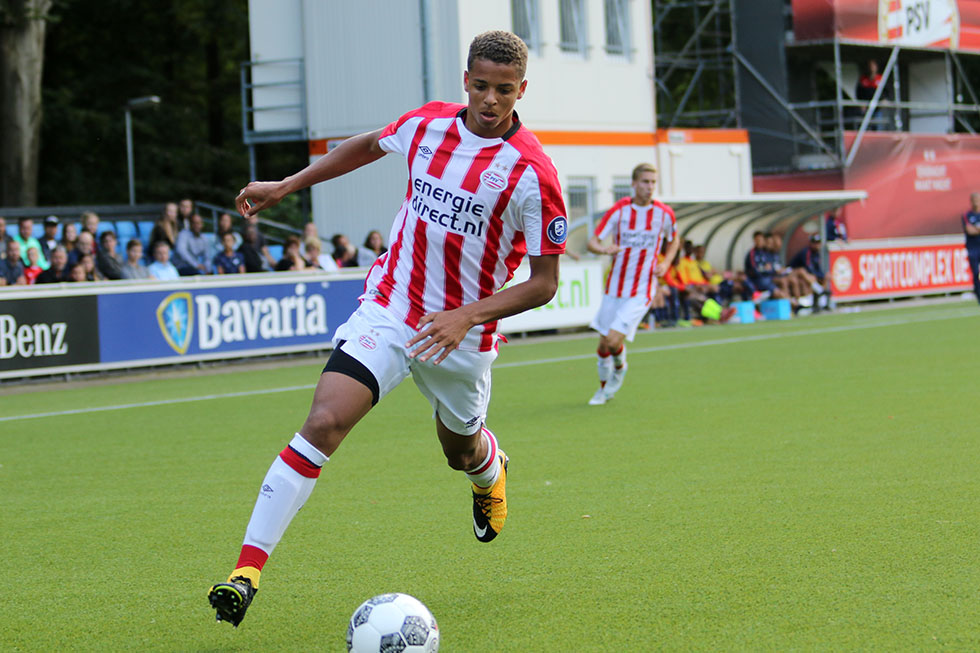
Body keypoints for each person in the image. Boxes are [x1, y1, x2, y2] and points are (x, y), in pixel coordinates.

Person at [207, 30, 565, 628]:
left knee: (461, 450)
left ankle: (490, 468)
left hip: (464, 334)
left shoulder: (533, 173)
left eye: (504, 90)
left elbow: (545, 282)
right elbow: (368, 145)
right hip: (393, 307)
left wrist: (467, 316)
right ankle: (246, 572)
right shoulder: (428, 126)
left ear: (521, 90)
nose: (490, 100)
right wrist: (286, 185)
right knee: (324, 421)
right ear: (466, 81)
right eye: (480, 85)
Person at [585, 163, 678, 406]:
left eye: (653, 182)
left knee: (614, 340)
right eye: (645, 182)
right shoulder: (620, 210)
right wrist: (605, 249)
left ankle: (615, 376)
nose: (649, 187)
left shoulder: (664, 214)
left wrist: (666, 262)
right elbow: (592, 242)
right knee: (604, 344)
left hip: (642, 289)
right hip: (614, 287)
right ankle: (608, 381)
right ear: (634, 184)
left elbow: (675, 240)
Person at [962, 191, 980, 306]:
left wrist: (976, 228)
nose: (976, 202)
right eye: (974, 200)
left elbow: (973, 229)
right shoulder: (966, 215)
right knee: (976, 274)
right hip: (973, 250)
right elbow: (969, 230)